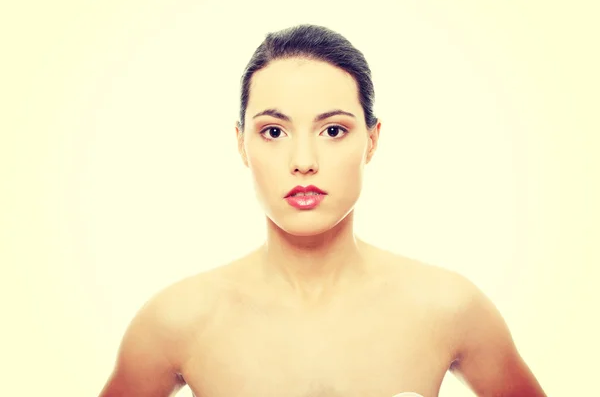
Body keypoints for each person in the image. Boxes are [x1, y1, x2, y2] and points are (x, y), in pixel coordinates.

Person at [98, 24, 546, 397]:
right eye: (274, 131)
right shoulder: (176, 320)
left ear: (371, 139)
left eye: (333, 129)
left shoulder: (449, 308)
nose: (304, 160)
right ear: (241, 143)